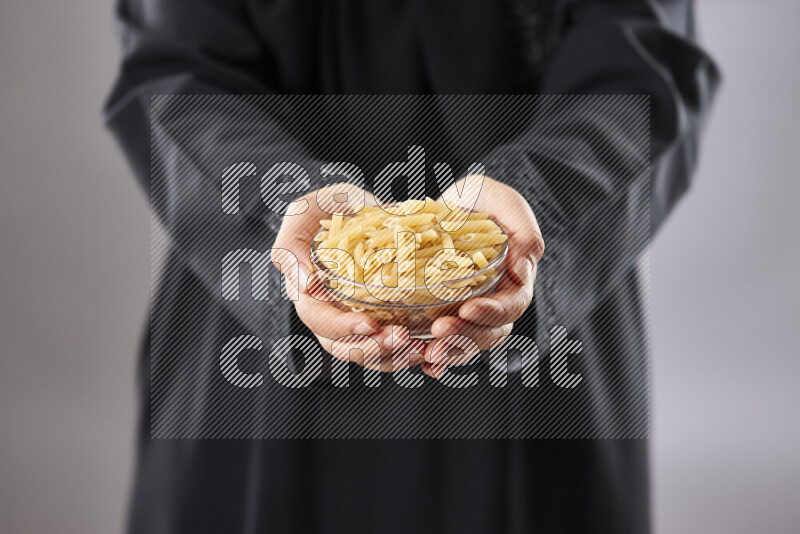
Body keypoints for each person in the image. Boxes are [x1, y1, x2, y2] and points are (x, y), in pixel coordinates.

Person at [105, 0, 719, 532]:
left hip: (533, 297)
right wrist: (279, 212)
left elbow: (643, 59)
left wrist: (541, 199)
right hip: (254, 324)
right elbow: (176, 67)